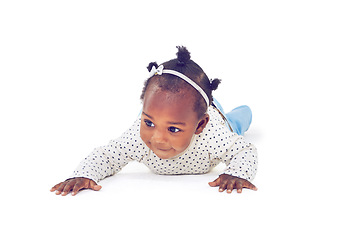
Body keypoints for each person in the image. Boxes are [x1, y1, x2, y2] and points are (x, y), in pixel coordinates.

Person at [50, 46, 258, 196]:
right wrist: (85, 174)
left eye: (173, 129)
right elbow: (107, 155)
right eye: (149, 122)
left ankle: (242, 112)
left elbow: (244, 150)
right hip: (191, 110)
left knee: (237, 121)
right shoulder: (137, 139)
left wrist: (236, 173)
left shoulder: (213, 135)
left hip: (217, 116)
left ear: (200, 126)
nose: (157, 139)